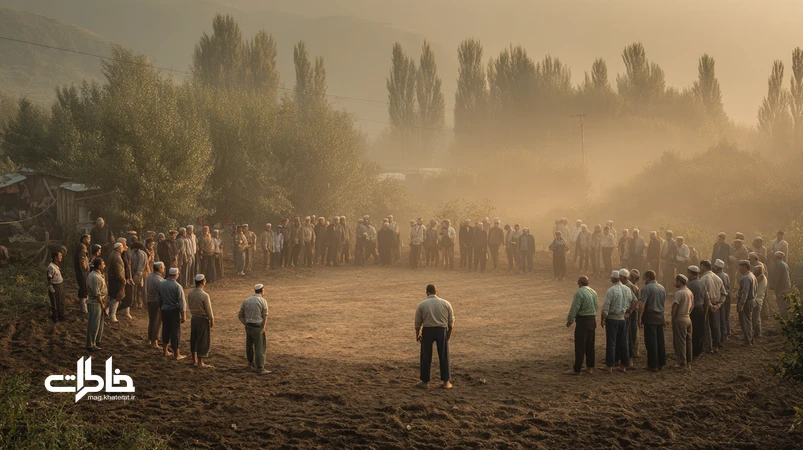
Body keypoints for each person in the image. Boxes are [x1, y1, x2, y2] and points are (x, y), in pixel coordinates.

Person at [414, 284, 454, 389]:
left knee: (426, 356)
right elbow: (451, 323)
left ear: (427, 292)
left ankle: (424, 381)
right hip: (441, 330)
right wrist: (448, 335)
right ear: (437, 292)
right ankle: (446, 382)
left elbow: (417, 323)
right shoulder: (446, 303)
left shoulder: (422, 304)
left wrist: (417, 334)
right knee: (444, 355)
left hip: (427, 330)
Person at [601, 270, 633, 373]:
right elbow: (631, 301)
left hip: (612, 319)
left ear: (612, 279)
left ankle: (609, 365)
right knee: (623, 341)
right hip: (622, 319)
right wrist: (627, 312)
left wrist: (602, 319)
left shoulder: (611, 290)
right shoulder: (627, 289)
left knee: (611, 342)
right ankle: (624, 365)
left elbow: (605, 307)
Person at [565, 276, 598, 375]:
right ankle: (590, 367)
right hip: (592, 320)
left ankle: (577, 368)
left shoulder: (579, 293)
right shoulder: (593, 292)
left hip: (583, 321)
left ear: (579, 283)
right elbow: (596, 306)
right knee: (590, 345)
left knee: (580, 346)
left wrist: (570, 320)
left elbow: (574, 307)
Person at [238, 284, 270, 375]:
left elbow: (240, 315)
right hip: (258, 326)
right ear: (262, 291)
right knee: (259, 347)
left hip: (249, 327)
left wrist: (246, 324)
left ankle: (250, 363)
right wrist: (263, 327)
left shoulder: (246, 300)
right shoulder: (263, 301)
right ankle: (260, 367)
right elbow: (265, 315)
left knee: (249, 346)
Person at [639, 270, 666, 371]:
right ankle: (661, 363)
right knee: (660, 341)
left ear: (648, 278)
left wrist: (639, 318)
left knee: (651, 342)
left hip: (650, 316)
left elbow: (642, 305)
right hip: (660, 316)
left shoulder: (646, 289)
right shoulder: (662, 288)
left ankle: (652, 365)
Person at [157, 267, 186, 360]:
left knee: (165, 329)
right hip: (173, 310)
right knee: (175, 332)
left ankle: (165, 351)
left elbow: (159, 298)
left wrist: (161, 307)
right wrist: (183, 315)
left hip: (164, 310)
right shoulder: (177, 286)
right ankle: (177, 354)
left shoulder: (162, 284)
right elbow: (181, 302)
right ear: (176, 274)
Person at [188, 274, 215, 368]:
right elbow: (208, 309)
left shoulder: (191, 293)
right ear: (203, 282)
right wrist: (211, 319)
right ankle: (200, 362)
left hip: (194, 318)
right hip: (202, 319)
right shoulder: (204, 295)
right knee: (202, 340)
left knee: (194, 339)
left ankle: (194, 360)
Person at [700, 260, 726, 353]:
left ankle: (708, 347)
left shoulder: (704, 279)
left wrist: (710, 306)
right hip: (716, 305)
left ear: (703, 267)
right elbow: (724, 293)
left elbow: (704, 295)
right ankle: (716, 346)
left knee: (706, 326)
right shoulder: (718, 278)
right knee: (716, 326)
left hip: (708, 305)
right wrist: (718, 305)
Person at [671, 274, 694, 369]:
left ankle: (681, 363)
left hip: (680, 319)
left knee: (680, 341)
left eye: (676, 281)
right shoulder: (689, 292)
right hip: (688, 318)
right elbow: (692, 306)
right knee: (688, 341)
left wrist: (673, 318)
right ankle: (688, 362)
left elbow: (675, 307)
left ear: (679, 282)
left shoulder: (679, 293)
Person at [85, 258, 106, 352]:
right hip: (95, 302)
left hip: (98, 301)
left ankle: (96, 341)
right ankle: (91, 344)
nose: (104, 265)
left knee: (98, 324)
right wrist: (102, 304)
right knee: (94, 324)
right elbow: (97, 294)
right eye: (103, 264)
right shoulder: (95, 277)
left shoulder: (96, 275)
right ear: (98, 266)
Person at [685, 265, 706, 358]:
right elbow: (707, 298)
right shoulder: (702, 283)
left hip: (693, 310)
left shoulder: (689, 285)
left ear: (690, 273)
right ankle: (699, 350)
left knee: (691, 332)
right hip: (701, 309)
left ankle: (692, 351)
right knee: (699, 331)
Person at [736, 260, 757, 345]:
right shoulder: (752, 276)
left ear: (745, 266)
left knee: (745, 321)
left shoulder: (746, 278)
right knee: (748, 320)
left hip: (746, 301)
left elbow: (745, 293)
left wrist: (741, 304)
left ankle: (748, 340)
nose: (739, 269)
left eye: (740, 267)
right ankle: (750, 338)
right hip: (751, 300)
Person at [623, 269, 641, 363]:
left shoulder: (630, 286)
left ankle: (632, 354)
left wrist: (629, 311)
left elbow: (635, 301)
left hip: (632, 311)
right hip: (634, 311)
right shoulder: (634, 286)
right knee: (633, 331)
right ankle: (634, 352)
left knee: (631, 332)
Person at [146, 261, 165, 349]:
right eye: (163, 267)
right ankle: (154, 342)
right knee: (157, 322)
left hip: (149, 300)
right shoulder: (159, 279)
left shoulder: (149, 276)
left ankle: (150, 339)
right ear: (160, 268)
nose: (164, 268)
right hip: (156, 302)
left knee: (152, 320)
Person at [106, 242, 126, 322]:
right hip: (116, 279)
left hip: (113, 278)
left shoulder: (113, 254)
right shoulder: (117, 257)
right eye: (122, 247)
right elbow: (118, 270)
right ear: (118, 248)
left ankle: (106, 311)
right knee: (116, 296)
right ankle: (112, 315)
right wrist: (122, 278)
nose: (123, 249)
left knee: (113, 297)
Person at [713, 259, 732, 343]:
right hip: (727, 296)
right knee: (726, 316)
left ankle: (723, 335)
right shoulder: (725, 275)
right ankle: (727, 332)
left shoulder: (716, 276)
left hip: (722, 297)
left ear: (716, 267)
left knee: (722, 317)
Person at [768, 251, 791, 318]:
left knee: (781, 302)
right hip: (786, 285)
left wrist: (773, 286)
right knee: (786, 301)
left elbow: (776, 277)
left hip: (781, 286)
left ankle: (784, 317)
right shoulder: (785, 264)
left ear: (775, 257)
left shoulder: (778, 264)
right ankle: (788, 316)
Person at [73, 234, 91, 314]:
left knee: (84, 286)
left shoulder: (80, 246)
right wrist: (85, 268)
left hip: (80, 270)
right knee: (84, 286)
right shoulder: (83, 247)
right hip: (82, 271)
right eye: (88, 239)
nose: (89, 241)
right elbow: (82, 260)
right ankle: (83, 307)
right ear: (84, 239)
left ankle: (84, 306)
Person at [46, 251, 66, 322]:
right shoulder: (51, 267)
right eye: (60, 255)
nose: (61, 257)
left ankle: (61, 316)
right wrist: (50, 286)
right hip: (55, 286)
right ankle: (56, 318)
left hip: (60, 285)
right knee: (55, 302)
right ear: (55, 257)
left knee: (61, 301)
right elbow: (49, 277)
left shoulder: (56, 265)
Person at [129, 241, 148, 309]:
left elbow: (141, 266)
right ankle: (136, 303)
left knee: (142, 289)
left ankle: (143, 303)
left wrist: (138, 275)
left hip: (140, 273)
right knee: (135, 289)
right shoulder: (133, 253)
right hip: (134, 272)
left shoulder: (141, 254)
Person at [752, 265, 768, 340]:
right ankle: (758, 333)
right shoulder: (763, 277)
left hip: (757, 300)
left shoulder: (760, 279)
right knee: (757, 317)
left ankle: (754, 333)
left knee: (754, 318)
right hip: (759, 299)